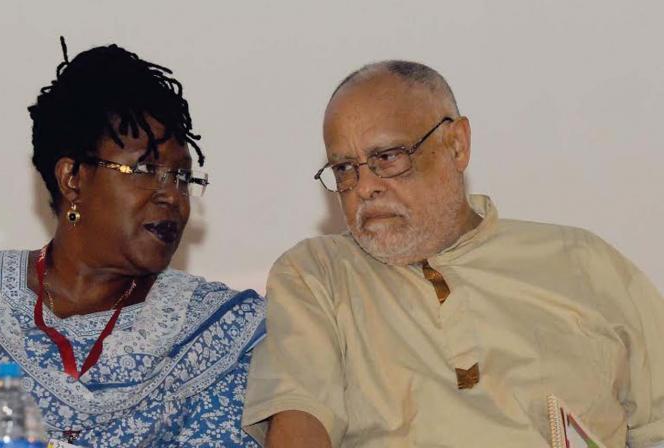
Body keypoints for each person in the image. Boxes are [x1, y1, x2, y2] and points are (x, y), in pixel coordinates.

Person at [0, 39, 264, 447]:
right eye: (145, 168)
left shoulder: (218, 337)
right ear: (72, 177)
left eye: (181, 177)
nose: (172, 196)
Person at [242, 61, 664, 447]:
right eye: (344, 169)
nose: (365, 186)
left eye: (388, 158)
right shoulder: (319, 274)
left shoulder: (582, 262)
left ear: (457, 145)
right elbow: (301, 422)